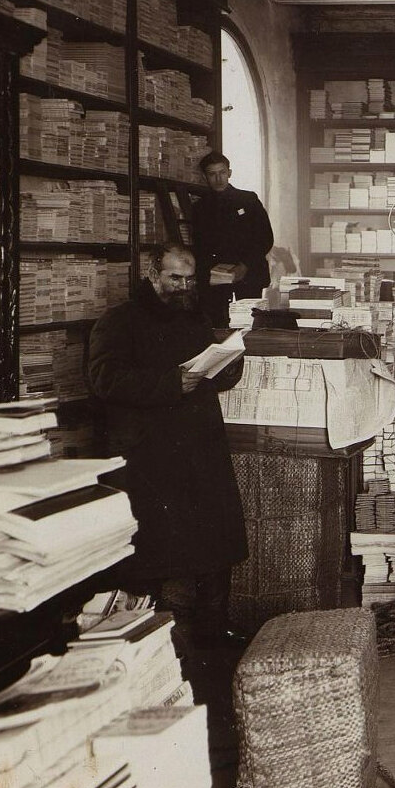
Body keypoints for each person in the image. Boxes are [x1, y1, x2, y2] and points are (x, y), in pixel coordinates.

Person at [87, 242, 247, 651]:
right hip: (151, 455)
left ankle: (213, 640)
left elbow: (206, 375)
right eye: (175, 278)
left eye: (190, 279)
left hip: (200, 450)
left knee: (215, 548)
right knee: (158, 557)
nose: (184, 287)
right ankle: (158, 646)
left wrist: (229, 366)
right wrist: (170, 383)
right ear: (152, 275)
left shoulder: (194, 318)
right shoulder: (119, 321)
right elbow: (105, 380)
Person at [190, 151, 273, 328]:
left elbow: (265, 237)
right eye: (212, 174)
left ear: (229, 173)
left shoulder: (248, 200)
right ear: (205, 177)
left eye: (222, 172)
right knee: (218, 326)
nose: (218, 179)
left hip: (249, 274)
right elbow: (200, 245)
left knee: (250, 324)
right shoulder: (200, 208)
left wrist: (245, 265)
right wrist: (210, 273)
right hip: (216, 279)